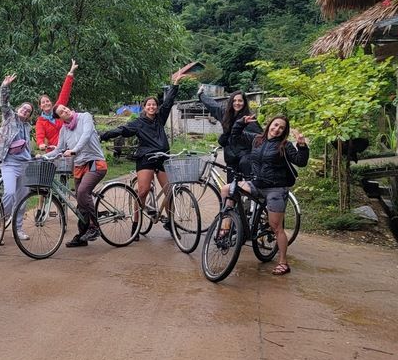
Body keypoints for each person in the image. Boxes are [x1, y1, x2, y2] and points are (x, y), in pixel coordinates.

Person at [99, 67, 191, 234]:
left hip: (162, 157)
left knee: (170, 191)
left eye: (154, 104)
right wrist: (104, 135)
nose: (152, 107)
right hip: (146, 158)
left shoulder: (160, 119)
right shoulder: (138, 123)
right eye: (149, 105)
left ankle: (170, 222)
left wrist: (175, 83)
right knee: (142, 191)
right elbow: (122, 129)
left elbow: (169, 101)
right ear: (144, 107)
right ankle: (136, 224)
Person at [221, 114, 308, 276]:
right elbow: (235, 136)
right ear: (270, 125)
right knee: (227, 189)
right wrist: (240, 122)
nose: (277, 129)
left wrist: (302, 145)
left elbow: (301, 161)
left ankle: (283, 262)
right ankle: (226, 226)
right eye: (275, 125)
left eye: (281, 128)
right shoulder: (256, 139)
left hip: (276, 189)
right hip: (255, 184)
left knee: (276, 227)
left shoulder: (285, 145)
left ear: (284, 131)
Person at [43, 104, 107, 247]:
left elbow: (87, 135)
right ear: (59, 118)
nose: (65, 110)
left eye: (65, 108)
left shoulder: (85, 117)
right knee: (81, 200)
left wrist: (74, 150)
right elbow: (59, 149)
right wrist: (42, 157)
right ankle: (82, 235)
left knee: (83, 192)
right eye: (61, 112)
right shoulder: (64, 130)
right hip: (79, 166)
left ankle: (94, 227)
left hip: (95, 162)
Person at [0, 74, 35, 241]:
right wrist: (4, 86)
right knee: (9, 194)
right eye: (24, 108)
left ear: (29, 116)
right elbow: (3, 103)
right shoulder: (10, 117)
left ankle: (18, 228)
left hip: (25, 164)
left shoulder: (27, 127)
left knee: (22, 199)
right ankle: (1, 224)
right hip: (10, 164)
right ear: (19, 109)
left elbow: (27, 146)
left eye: (28, 111)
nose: (25, 111)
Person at [199, 87, 262, 182]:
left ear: (244, 103)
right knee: (232, 190)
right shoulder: (225, 114)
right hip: (231, 158)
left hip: (245, 158)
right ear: (231, 102)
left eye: (240, 101)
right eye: (234, 100)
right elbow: (212, 105)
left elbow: (259, 138)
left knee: (249, 186)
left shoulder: (249, 118)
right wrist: (201, 95)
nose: (237, 103)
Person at [36, 60, 78, 152]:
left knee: (74, 161)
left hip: (69, 145)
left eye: (47, 101)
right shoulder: (40, 121)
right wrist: (41, 144)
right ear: (40, 106)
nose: (46, 103)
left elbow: (65, 92)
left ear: (51, 103)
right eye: (43, 102)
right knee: (56, 166)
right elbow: (40, 135)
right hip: (55, 150)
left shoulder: (58, 109)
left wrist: (70, 74)